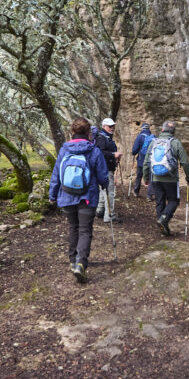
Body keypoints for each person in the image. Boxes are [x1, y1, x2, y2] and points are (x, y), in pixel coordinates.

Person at [49, 118, 109, 283]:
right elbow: (103, 175)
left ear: (72, 133)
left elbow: (56, 174)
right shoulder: (94, 150)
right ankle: (80, 263)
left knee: (73, 227)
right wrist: (105, 184)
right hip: (87, 197)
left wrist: (53, 195)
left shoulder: (64, 150)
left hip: (67, 195)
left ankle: (72, 259)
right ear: (88, 133)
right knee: (85, 230)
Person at [142, 120, 189, 236]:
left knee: (160, 202)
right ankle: (164, 219)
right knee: (174, 200)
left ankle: (163, 228)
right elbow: (184, 162)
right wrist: (188, 177)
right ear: (173, 132)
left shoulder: (153, 143)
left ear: (162, 130)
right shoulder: (175, 143)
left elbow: (146, 162)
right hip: (171, 179)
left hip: (156, 178)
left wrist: (146, 179)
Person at [94, 117, 122, 222]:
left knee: (103, 190)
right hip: (105, 169)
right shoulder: (102, 138)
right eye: (110, 126)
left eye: (113, 126)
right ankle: (109, 215)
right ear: (104, 126)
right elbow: (100, 153)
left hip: (104, 168)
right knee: (109, 192)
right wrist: (113, 154)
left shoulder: (105, 137)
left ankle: (100, 210)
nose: (112, 128)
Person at [130, 122, 155, 200]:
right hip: (151, 161)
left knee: (139, 176)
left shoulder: (140, 137)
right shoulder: (153, 137)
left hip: (141, 161)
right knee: (151, 178)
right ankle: (149, 196)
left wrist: (133, 153)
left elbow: (134, 150)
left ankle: (136, 191)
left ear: (142, 129)